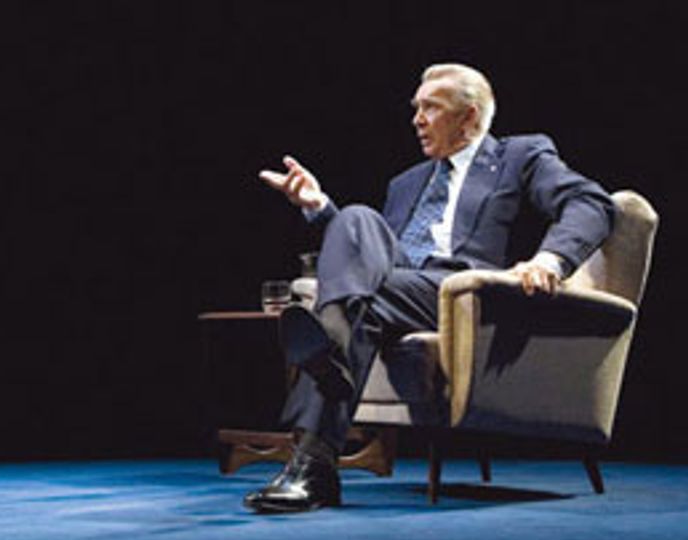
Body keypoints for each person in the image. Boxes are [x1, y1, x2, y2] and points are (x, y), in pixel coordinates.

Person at [248, 63, 615, 513]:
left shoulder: (520, 156)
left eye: (431, 108)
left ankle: (322, 381)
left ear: (469, 117)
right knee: (356, 220)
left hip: (464, 294)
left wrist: (549, 260)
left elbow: (591, 203)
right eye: (415, 108)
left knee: (349, 302)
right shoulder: (405, 183)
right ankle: (316, 463)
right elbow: (369, 259)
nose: (417, 120)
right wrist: (320, 208)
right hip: (399, 289)